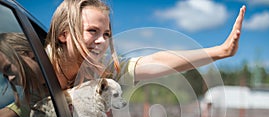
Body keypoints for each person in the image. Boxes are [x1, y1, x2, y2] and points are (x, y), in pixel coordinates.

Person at [45, 0, 246, 90]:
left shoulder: (102, 71)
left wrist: (221, 51)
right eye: (92, 31)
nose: (102, 41)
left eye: (107, 34)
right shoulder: (31, 67)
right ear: (64, 34)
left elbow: (155, 61)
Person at [0, 33, 48, 117]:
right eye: (5, 75)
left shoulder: (73, 64)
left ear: (28, 53)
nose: (10, 79)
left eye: (8, 68)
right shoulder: (35, 97)